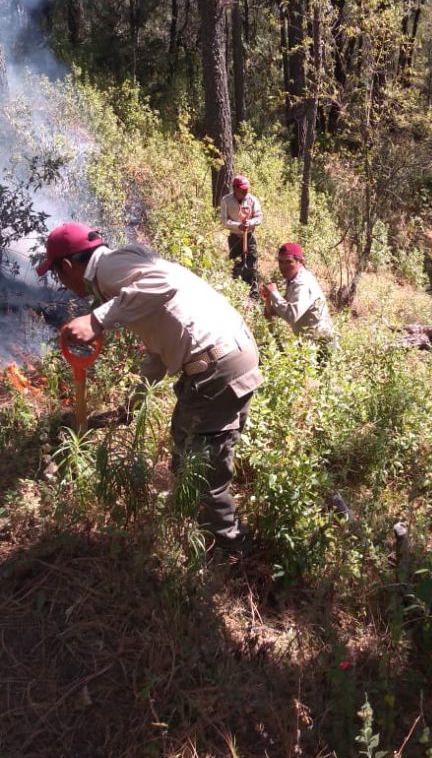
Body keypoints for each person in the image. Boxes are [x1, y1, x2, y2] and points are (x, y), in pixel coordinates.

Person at [36, 222, 263, 554]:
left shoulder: (110, 269)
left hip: (216, 365)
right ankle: (202, 531)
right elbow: (158, 349)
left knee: (200, 470)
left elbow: (164, 281)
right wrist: (133, 403)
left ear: (67, 267)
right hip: (227, 357)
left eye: (57, 275)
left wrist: (97, 320)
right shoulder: (120, 272)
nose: (63, 284)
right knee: (189, 453)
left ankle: (232, 550)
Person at [260, 242, 335, 354]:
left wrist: (274, 293)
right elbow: (290, 305)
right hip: (308, 346)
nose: (283, 266)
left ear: (300, 262)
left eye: (289, 262)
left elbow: (291, 315)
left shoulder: (303, 283)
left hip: (321, 347)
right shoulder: (293, 278)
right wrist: (272, 310)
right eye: (281, 262)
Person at [220, 175, 262, 294]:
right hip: (234, 238)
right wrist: (238, 226)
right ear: (235, 188)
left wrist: (251, 222)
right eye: (243, 189)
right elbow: (224, 221)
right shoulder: (226, 200)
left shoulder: (252, 200)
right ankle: (237, 293)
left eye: (247, 189)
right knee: (236, 265)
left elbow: (259, 217)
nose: (246, 191)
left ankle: (253, 294)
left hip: (249, 237)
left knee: (251, 264)